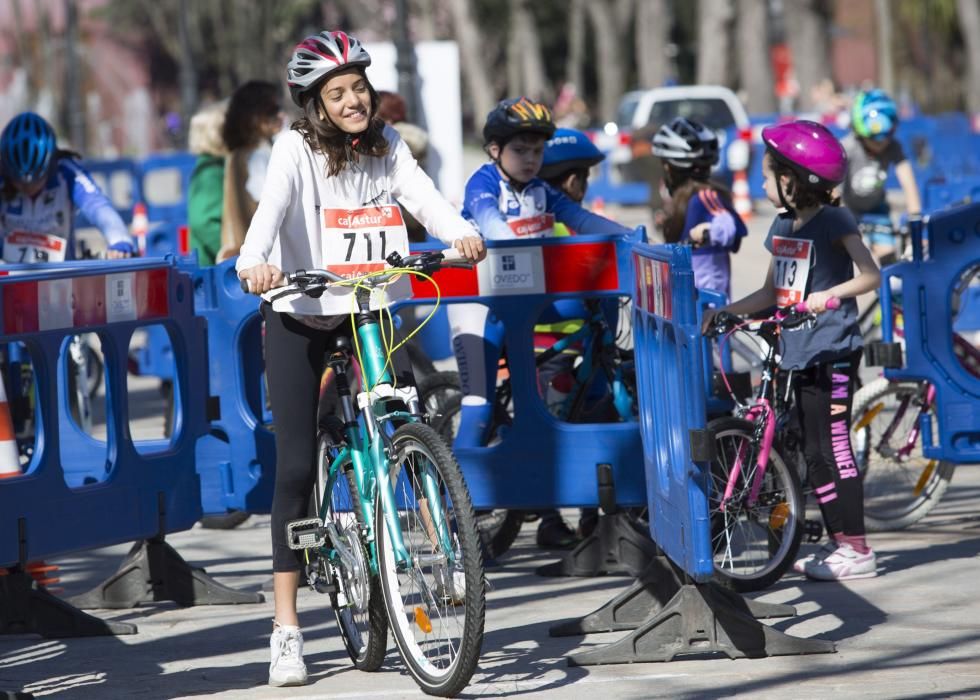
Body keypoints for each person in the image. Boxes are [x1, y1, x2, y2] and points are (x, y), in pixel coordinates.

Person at [234, 30, 485, 687]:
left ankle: (433, 539)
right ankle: (286, 630)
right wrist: (253, 261)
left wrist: (458, 230)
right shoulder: (294, 149)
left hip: (372, 301)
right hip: (300, 306)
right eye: (338, 93)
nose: (354, 101)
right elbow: (271, 211)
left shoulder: (388, 143)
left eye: (360, 89)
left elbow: (422, 194)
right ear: (314, 104)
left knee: (405, 413)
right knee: (292, 467)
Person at [703, 120, 881, 582]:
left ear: (794, 180)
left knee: (833, 448)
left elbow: (870, 275)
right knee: (813, 452)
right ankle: (840, 544)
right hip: (795, 352)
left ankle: (857, 548)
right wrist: (728, 312)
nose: (761, 184)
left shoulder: (834, 222)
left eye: (767, 176)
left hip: (832, 353)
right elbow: (771, 290)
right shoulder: (783, 224)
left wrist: (828, 295)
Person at [449, 98, 631, 548]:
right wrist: (524, 248)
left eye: (537, 151)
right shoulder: (483, 182)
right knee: (479, 406)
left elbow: (582, 219)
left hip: (524, 301)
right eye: (521, 150)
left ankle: (597, 370)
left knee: (593, 307)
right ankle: (452, 514)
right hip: (480, 308)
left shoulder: (541, 191)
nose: (532, 159)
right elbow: (492, 226)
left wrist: (630, 237)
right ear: (494, 150)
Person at [0, 111, 135, 261]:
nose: (28, 188)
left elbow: (97, 205)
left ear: (50, 165)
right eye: (18, 182)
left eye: (37, 180)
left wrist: (119, 239)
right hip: (9, 280)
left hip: (63, 278)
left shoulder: (66, 172)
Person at [653, 117, 746, 298]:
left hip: (707, 305)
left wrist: (709, 231)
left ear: (669, 168)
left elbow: (729, 226)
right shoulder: (683, 200)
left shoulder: (706, 196)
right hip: (683, 301)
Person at [841, 88, 922, 262]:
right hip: (848, 211)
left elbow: (907, 179)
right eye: (873, 139)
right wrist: (840, 217)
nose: (881, 144)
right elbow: (833, 188)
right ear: (859, 132)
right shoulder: (847, 147)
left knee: (888, 257)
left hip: (877, 211)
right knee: (852, 258)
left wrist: (915, 218)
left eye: (885, 138)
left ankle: (888, 286)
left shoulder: (893, 146)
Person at [216, 80, 283, 262]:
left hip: (242, 257)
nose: (280, 115)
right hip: (260, 260)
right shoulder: (257, 155)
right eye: (272, 110)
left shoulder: (238, 153)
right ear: (252, 118)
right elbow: (270, 203)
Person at [187, 101, 228, 266]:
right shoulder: (210, 172)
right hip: (214, 272)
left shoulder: (214, 167)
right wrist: (235, 253)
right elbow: (203, 222)